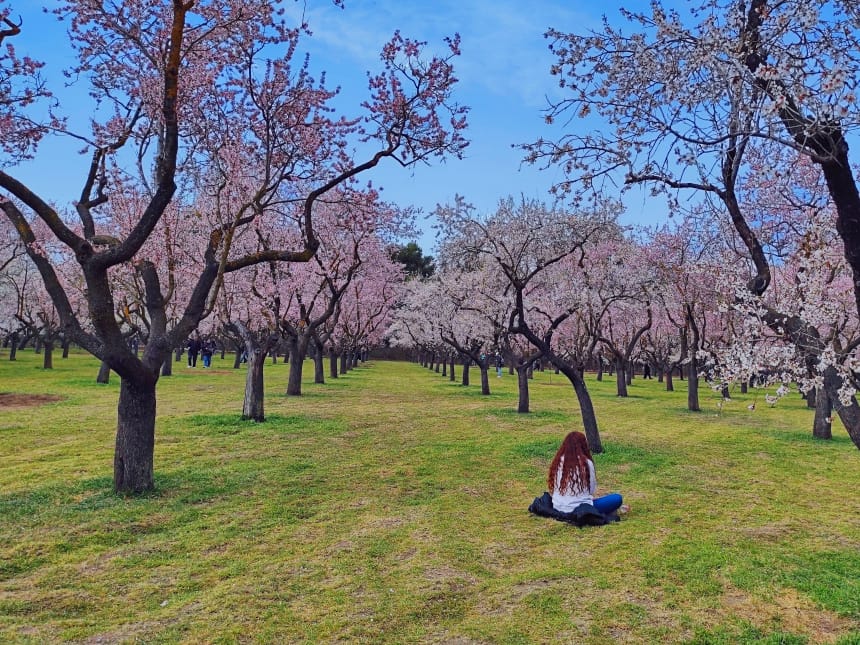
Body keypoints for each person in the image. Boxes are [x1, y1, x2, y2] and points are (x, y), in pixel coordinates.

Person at [548, 431, 623, 516]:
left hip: (557, 507)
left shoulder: (558, 461)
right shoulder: (586, 463)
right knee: (617, 498)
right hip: (581, 509)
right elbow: (592, 490)